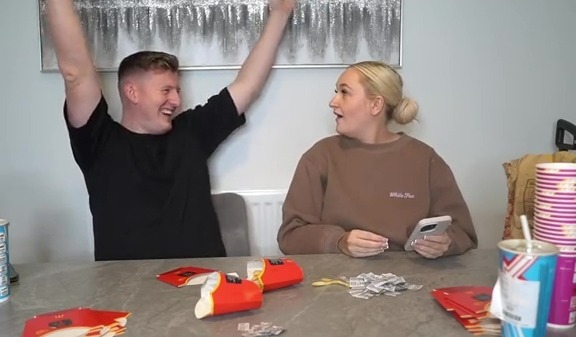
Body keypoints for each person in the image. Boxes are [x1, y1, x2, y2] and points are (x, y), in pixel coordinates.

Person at [45, 0, 296, 261]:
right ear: (132, 92)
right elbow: (76, 72)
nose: (176, 100)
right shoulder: (100, 142)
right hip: (128, 292)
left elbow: (248, 86)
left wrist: (280, 13)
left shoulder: (192, 132)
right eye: (166, 90)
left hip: (203, 286)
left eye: (177, 90)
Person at [277, 61, 478, 259]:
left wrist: (445, 243)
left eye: (344, 92)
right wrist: (339, 241)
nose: (333, 102)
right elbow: (290, 235)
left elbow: (463, 233)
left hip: (411, 281)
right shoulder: (320, 156)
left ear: (376, 105)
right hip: (338, 282)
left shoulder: (426, 160)